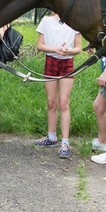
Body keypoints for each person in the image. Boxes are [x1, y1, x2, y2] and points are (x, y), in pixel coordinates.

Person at [33, 12, 82, 158]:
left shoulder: (74, 19)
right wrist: (55, 49)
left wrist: (68, 51)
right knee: (51, 101)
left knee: (64, 103)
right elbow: (40, 45)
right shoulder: (46, 20)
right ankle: (51, 137)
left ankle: (65, 143)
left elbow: (79, 48)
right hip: (51, 61)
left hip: (67, 63)